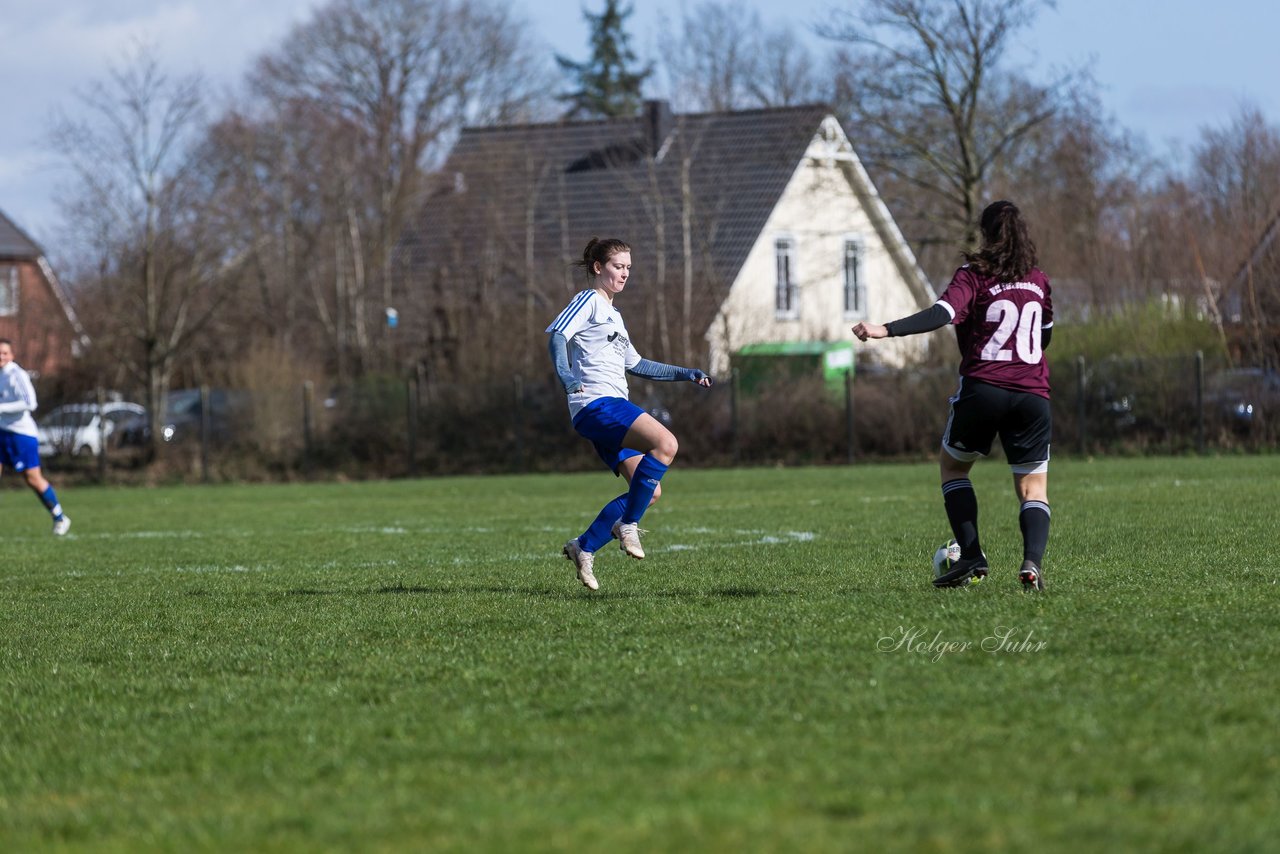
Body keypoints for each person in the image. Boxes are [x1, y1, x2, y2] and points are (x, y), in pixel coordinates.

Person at [852, 201, 1053, 591]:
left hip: (984, 388)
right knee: (1033, 488)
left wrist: (885, 329)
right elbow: (1045, 336)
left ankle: (973, 555)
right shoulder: (1038, 280)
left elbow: (942, 314)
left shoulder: (973, 276)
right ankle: (1031, 563)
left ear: (985, 234)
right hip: (1033, 394)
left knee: (954, 468)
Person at [547, 237, 713, 591]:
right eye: (617, 267)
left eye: (628, 269)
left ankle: (584, 546)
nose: (624, 274)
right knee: (666, 443)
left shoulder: (615, 316)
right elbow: (558, 335)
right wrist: (565, 375)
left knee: (649, 491)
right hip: (596, 404)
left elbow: (638, 365)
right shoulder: (589, 300)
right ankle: (627, 525)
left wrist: (687, 373)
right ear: (598, 268)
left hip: (611, 410)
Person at [0, 338, 71, 535]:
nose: (1, 357)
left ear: (11, 355)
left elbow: (30, 403)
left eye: (4, 353)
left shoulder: (17, 375)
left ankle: (59, 517)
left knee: (33, 479)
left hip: (21, 434)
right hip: (1, 432)